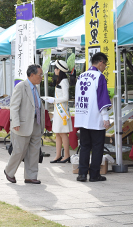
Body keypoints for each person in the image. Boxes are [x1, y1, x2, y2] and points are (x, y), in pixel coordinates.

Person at [4, 64, 45, 185]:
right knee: (19, 151)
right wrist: (15, 122)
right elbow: (14, 106)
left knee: (34, 151)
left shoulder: (36, 88)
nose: (41, 77)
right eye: (40, 75)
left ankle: (30, 176)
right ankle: (9, 171)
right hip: (22, 125)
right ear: (32, 75)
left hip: (36, 124)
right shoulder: (21, 87)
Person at [75, 52, 111, 182]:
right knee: (97, 146)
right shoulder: (99, 76)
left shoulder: (81, 76)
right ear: (101, 62)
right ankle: (94, 174)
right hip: (95, 117)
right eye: (105, 64)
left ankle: (82, 174)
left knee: (84, 146)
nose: (105, 67)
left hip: (82, 117)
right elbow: (102, 98)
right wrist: (105, 117)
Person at [45, 60, 73, 163]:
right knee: (57, 133)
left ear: (60, 70)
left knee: (63, 133)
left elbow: (66, 97)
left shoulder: (64, 81)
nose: (55, 70)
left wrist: (54, 100)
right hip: (58, 110)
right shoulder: (59, 81)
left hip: (62, 112)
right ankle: (57, 155)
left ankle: (66, 155)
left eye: (56, 69)